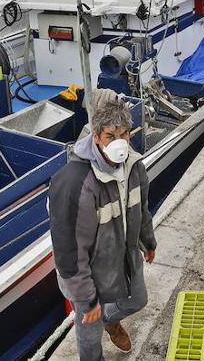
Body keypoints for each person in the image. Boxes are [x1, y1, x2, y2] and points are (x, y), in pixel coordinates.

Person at [49, 92, 155, 360]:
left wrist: (147, 242)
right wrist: (88, 297)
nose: (119, 143)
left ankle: (110, 319)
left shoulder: (134, 166)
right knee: (89, 336)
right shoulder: (75, 183)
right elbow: (69, 251)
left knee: (137, 300)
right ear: (96, 136)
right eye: (110, 136)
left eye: (124, 135)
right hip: (86, 274)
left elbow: (140, 209)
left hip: (122, 257)